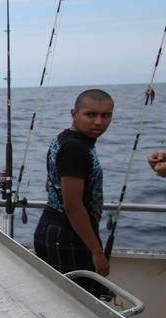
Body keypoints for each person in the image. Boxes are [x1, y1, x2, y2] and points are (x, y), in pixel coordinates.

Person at [33, 89, 114, 296]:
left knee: (57, 298)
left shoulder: (63, 139)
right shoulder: (75, 148)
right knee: (81, 304)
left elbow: (51, 183)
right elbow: (72, 205)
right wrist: (97, 252)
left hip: (52, 228)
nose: (98, 122)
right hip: (67, 235)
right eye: (90, 114)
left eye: (106, 115)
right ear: (74, 114)